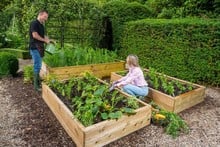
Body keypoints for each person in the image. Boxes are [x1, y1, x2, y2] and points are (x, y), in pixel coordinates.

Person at [29, 10, 51, 91]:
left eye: (46, 17)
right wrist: (45, 40)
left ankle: (37, 82)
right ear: (40, 15)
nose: (46, 19)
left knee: (38, 64)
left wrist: (49, 40)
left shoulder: (41, 25)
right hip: (35, 47)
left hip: (40, 47)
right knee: (37, 65)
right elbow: (35, 35)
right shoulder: (34, 23)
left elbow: (42, 35)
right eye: (45, 17)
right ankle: (36, 86)